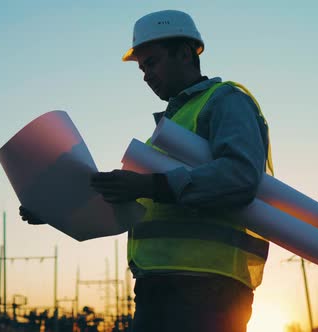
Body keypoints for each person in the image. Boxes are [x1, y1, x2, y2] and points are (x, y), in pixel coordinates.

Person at [21, 9, 274, 332]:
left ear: (185, 53)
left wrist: (147, 186)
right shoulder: (165, 134)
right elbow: (144, 201)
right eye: (142, 68)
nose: (145, 76)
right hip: (159, 289)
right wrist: (57, 208)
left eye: (151, 63)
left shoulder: (226, 101)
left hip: (209, 292)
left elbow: (240, 177)